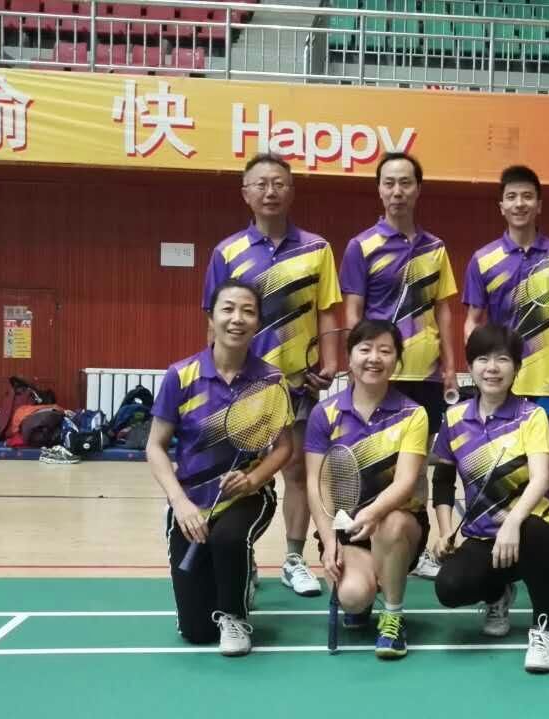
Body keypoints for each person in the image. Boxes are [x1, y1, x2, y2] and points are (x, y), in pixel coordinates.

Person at [201, 153, 342, 599]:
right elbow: (214, 318)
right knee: (239, 471)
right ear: (246, 193)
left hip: (297, 382)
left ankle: (294, 558)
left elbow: (327, 311)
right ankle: (240, 557)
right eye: (260, 184)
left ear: (291, 192)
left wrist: (330, 362)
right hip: (241, 384)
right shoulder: (227, 252)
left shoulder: (317, 249)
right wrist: (213, 373)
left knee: (297, 470)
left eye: (279, 183)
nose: (270, 191)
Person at [461, 165, 549, 593]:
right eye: (512, 197)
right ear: (501, 206)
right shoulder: (484, 259)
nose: (519, 203)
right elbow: (473, 320)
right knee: (501, 473)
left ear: (539, 205)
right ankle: (503, 549)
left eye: (527, 196)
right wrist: (477, 367)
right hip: (501, 383)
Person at [147, 280, 294, 656]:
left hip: (248, 496)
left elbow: (284, 447)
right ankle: (235, 580)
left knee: (228, 538)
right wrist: (179, 502)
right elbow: (155, 447)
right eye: (227, 309)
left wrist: (254, 479)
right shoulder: (181, 375)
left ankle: (235, 616)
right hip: (192, 503)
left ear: (258, 322)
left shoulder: (271, 380)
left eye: (248, 311)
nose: (237, 318)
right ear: (211, 318)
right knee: (196, 631)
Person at [340, 151, 459, 580]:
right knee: (372, 460)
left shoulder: (435, 248)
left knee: (417, 465)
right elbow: (353, 310)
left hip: (424, 375)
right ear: (379, 190)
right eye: (389, 183)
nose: (397, 191)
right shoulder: (361, 246)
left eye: (405, 182)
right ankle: (364, 537)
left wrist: (450, 365)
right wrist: (357, 361)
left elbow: (443, 310)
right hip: (378, 372)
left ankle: (415, 548)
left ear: (418, 189)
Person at [431, 324, 549, 673]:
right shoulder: (454, 418)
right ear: (470, 366)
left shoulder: (531, 416)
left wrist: (512, 522)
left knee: (534, 532)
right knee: (449, 587)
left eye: (502, 359)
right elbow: (443, 481)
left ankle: (543, 628)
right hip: (485, 538)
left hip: (539, 534)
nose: (492, 368)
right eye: (482, 359)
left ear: (517, 368)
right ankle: (498, 594)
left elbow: (540, 478)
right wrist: (445, 531)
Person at [304, 319, 430, 659]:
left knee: (392, 522)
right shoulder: (324, 413)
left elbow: (405, 483)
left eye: (385, 351)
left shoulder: (413, 414)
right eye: (365, 349)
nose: (374, 358)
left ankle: (393, 615)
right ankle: (373, 582)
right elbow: (318, 483)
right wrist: (329, 540)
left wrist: (372, 513)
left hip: (398, 525)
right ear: (349, 357)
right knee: (353, 597)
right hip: (345, 527)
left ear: (397, 361)